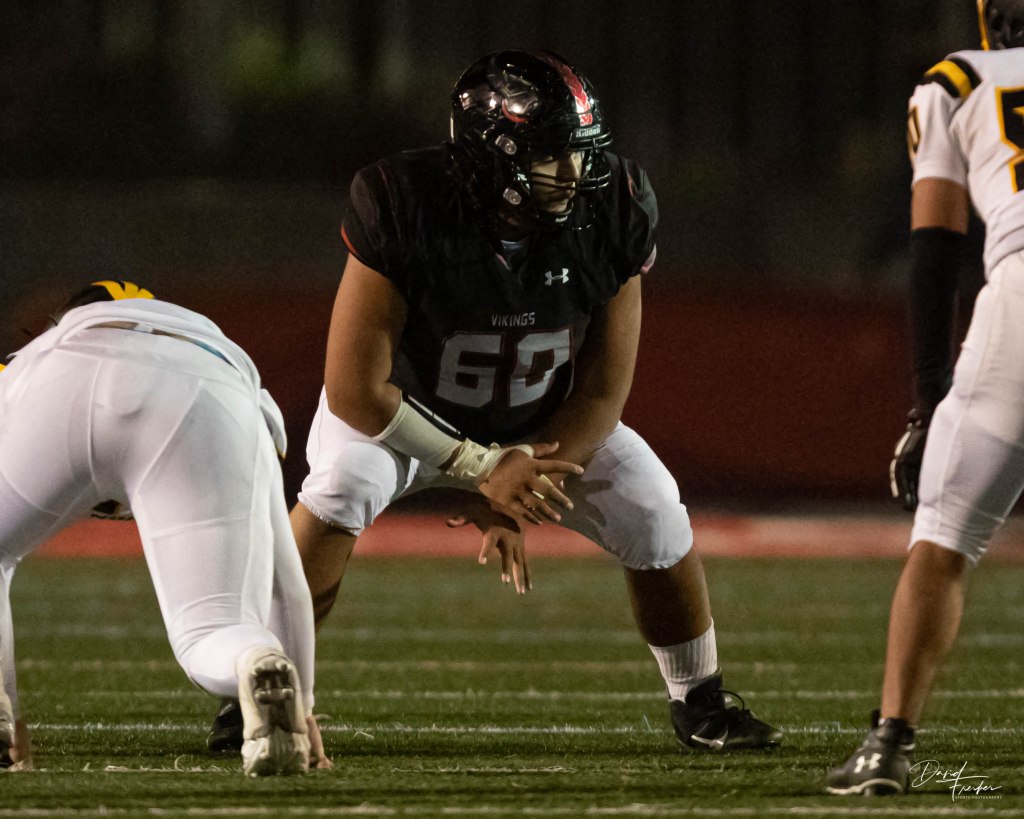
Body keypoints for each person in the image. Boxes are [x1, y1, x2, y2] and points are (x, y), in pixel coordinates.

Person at [209, 49, 782, 755]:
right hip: (406, 416)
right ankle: (257, 689)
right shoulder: (405, 202)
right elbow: (356, 392)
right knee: (338, 489)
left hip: (539, 421)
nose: (575, 173)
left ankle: (701, 700)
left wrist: (522, 475)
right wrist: (481, 469)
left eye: (580, 151)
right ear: (490, 156)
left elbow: (603, 389)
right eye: (551, 155)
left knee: (654, 508)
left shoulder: (614, 207)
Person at [0, 280, 328, 776]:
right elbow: (286, 585)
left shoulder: (28, 363)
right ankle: (253, 657)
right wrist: (301, 709)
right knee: (211, 631)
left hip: (59, 378)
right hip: (205, 391)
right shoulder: (230, 371)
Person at [827, 0, 1024, 795]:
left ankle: (890, 743)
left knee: (942, 537)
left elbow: (935, 251)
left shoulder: (957, 79)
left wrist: (926, 400)